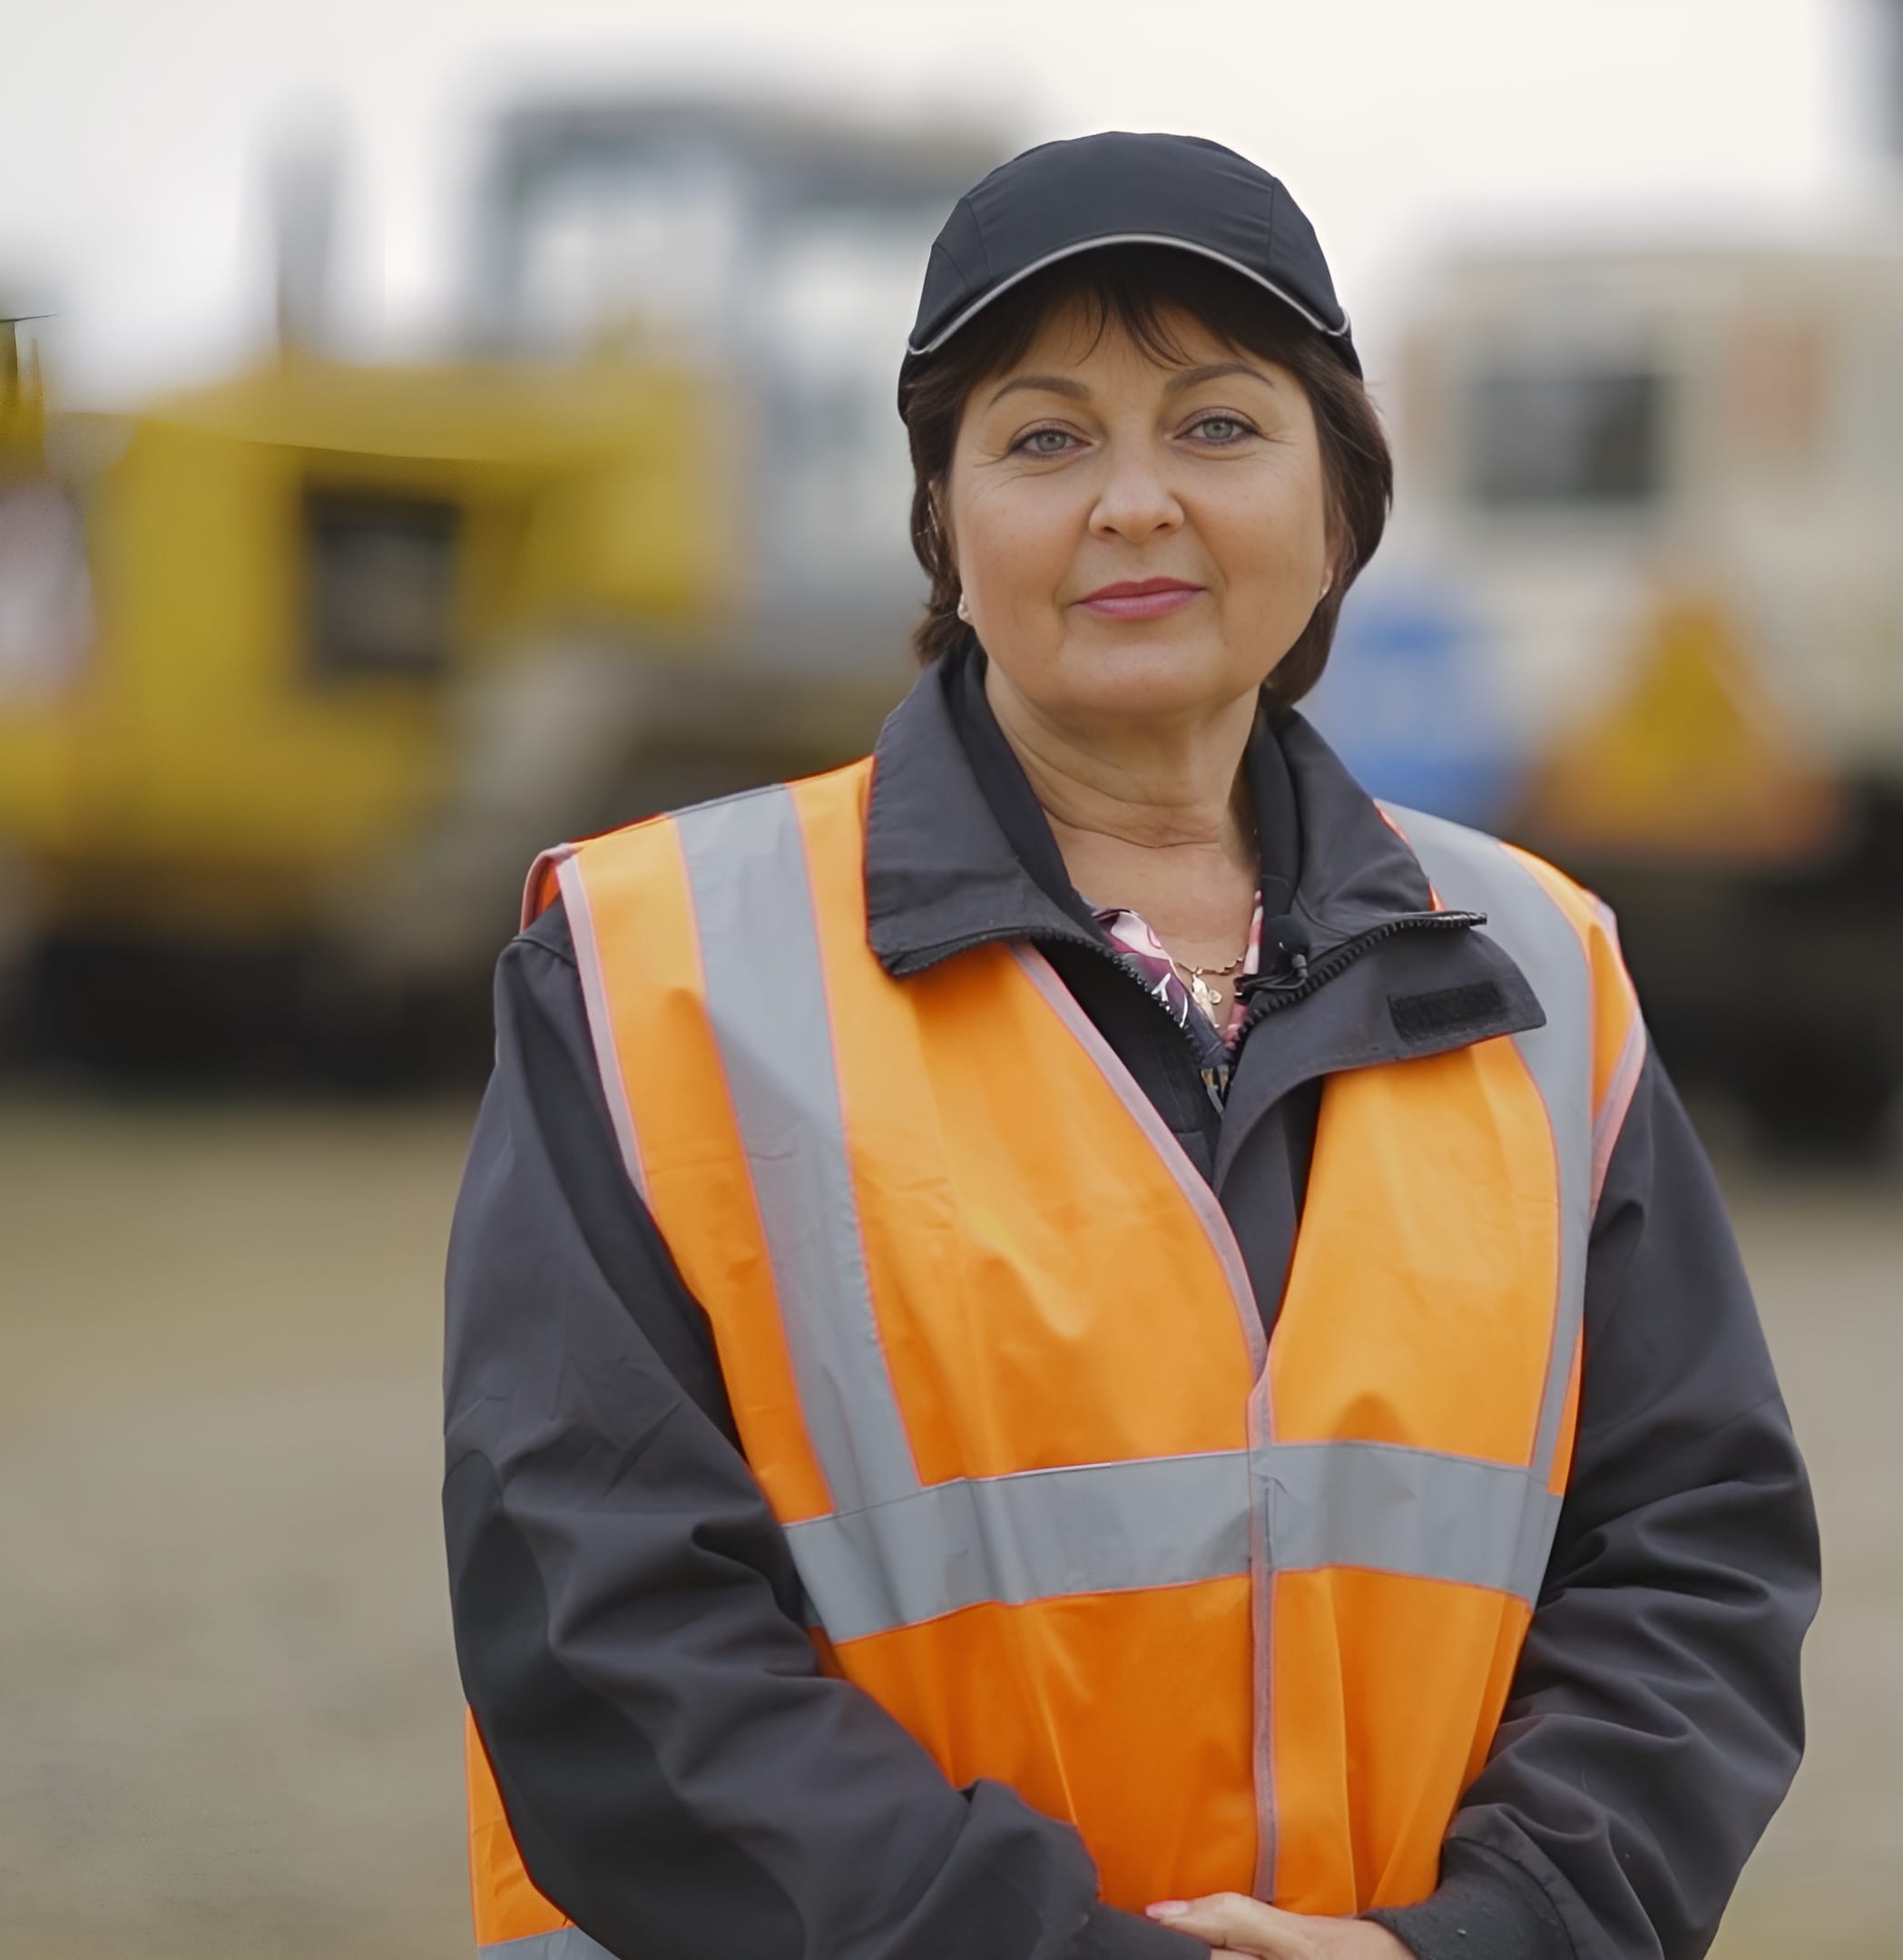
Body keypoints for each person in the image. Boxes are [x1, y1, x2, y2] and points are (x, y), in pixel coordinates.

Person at [442, 131, 1816, 1960]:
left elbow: (1694, 1555)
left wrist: (1486, 1938)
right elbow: (601, 1616)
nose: (1137, 502)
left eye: (1220, 425)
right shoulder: (651, 969)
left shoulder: (1544, 971)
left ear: (1342, 505)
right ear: (945, 523)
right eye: (1044, 439)